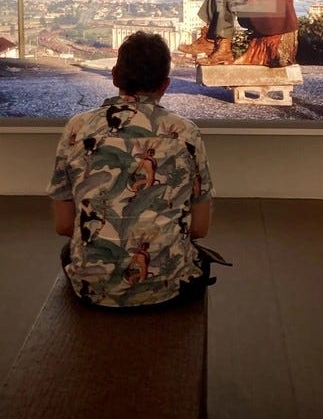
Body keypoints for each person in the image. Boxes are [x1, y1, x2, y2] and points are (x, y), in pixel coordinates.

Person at [46, 31, 219, 309]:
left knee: (69, 251)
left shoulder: (77, 129)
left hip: (92, 290)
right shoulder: (185, 132)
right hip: (168, 289)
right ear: (165, 85)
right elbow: (199, 229)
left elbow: (64, 225)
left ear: (115, 76)